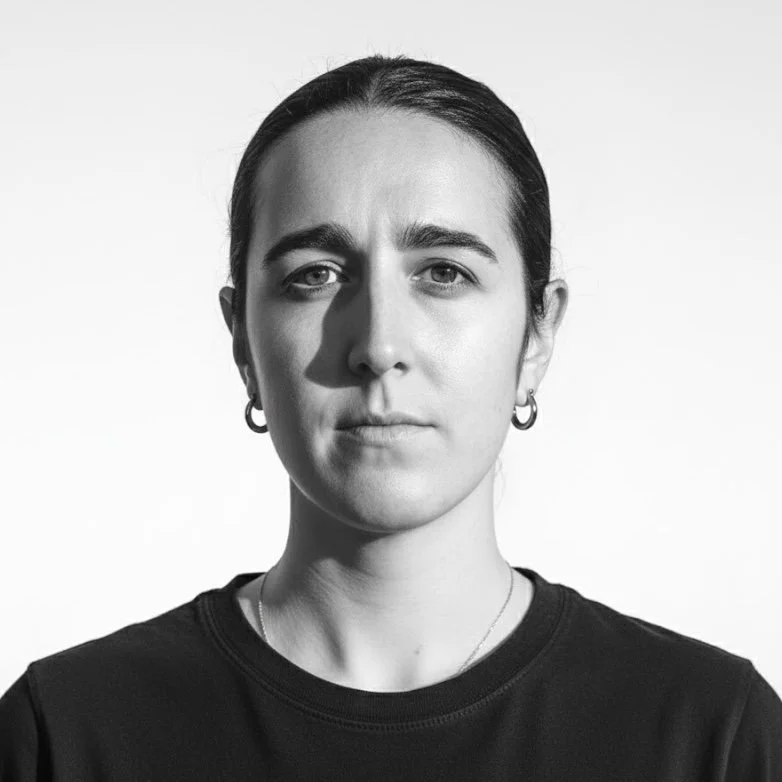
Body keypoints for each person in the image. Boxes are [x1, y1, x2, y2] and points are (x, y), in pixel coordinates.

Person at [1, 53, 780, 780]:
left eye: (443, 272)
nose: (377, 345)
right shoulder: (65, 734)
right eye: (315, 275)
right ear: (242, 340)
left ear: (537, 335)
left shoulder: (711, 734)